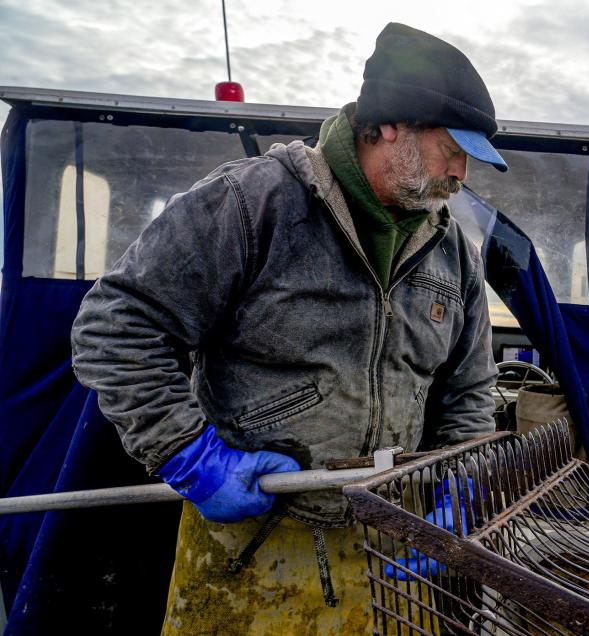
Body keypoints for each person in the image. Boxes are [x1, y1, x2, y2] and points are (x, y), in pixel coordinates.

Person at [71, 22, 508, 634]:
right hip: (253, 543)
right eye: (452, 149)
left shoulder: (452, 250)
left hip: (394, 543)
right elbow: (115, 328)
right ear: (385, 127)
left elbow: (469, 386)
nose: (463, 173)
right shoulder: (252, 205)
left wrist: (460, 479)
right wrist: (190, 454)